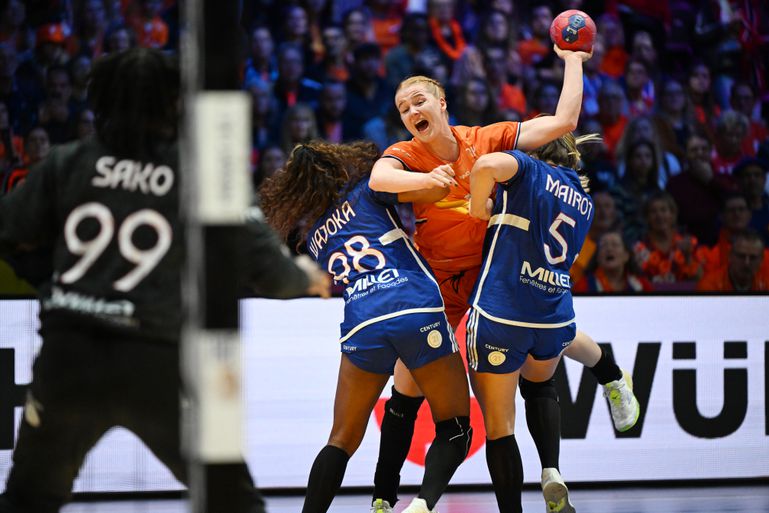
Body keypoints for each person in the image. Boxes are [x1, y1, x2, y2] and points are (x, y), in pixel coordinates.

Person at [0, 48, 330, 513]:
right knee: (233, 503)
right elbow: (268, 270)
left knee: (28, 501)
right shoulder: (197, 172)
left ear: (102, 99)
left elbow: (9, 233)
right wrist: (304, 278)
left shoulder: (67, 162)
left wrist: (50, 282)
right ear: (175, 102)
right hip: (156, 361)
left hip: (68, 358)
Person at [367, 46, 638, 513]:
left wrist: (573, 59)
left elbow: (563, 121)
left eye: (419, 101)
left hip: (495, 278)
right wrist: (425, 183)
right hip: (443, 289)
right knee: (405, 386)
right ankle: (383, 499)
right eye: (403, 108)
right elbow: (378, 179)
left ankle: (611, 375)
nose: (412, 111)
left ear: (442, 103)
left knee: (553, 336)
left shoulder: (487, 139)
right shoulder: (407, 154)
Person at [260, 140, 472, 513]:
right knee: (455, 428)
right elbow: (428, 191)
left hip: (362, 323)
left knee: (340, 439)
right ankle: (421, 506)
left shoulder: (314, 236)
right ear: (339, 165)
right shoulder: (370, 189)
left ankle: (364, 502)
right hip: (413, 307)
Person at [466, 132, 640, 513]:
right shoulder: (586, 201)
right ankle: (551, 469)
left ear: (537, 149)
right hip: (550, 314)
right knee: (540, 384)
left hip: (502, 311)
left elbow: (484, 165)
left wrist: (479, 206)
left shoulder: (527, 168)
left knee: (500, 427)